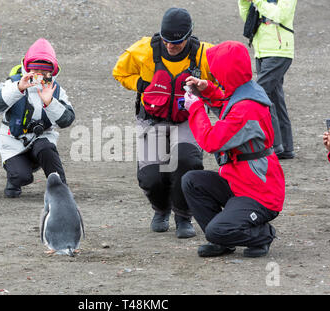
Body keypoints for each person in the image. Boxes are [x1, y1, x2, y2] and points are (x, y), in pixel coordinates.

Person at [112, 8, 216, 238]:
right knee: (151, 176)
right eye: (167, 41)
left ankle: (183, 216)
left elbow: (221, 83)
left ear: (189, 36)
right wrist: (142, 85)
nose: (171, 46)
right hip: (152, 118)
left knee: (187, 160)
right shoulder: (143, 50)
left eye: (177, 42)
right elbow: (119, 73)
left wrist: (205, 88)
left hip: (188, 119)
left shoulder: (205, 55)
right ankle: (161, 209)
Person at [181, 41, 285, 258]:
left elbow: (211, 142)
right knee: (192, 181)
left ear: (227, 72)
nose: (215, 75)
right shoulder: (247, 90)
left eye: (217, 71)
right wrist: (206, 88)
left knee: (217, 230)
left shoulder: (247, 107)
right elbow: (228, 104)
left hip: (260, 194)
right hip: (240, 183)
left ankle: (262, 235)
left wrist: (196, 107)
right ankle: (222, 241)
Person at [0, 38, 74, 198]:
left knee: (46, 149)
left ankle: (61, 189)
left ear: (53, 71)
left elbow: (66, 120)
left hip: (41, 139)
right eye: (35, 70)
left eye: (45, 71)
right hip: (13, 141)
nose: (40, 75)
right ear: (26, 68)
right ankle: (15, 176)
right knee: (21, 177)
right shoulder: (12, 83)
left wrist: (50, 102)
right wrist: (19, 88)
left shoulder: (55, 90)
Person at [238, 0, 297, 159]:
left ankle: (275, 144)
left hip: (279, 51)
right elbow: (248, 17)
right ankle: (286, 147)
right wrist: (244, 2)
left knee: (259, 93)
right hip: (262, 51)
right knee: (275, 98)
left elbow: (279, 15)